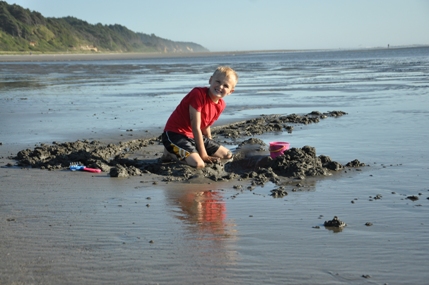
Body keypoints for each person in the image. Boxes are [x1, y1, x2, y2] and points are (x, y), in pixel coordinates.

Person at [161, 66, 238, 169]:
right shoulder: (198, 94)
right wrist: (204, 155)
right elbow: (195, 126)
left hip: (193, 137)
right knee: (199, 164)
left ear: (230, 91)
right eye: (218, 81)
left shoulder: (221, 105)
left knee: (228, 155)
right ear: (211, 80)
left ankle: (189, 151)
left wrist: (210, 142)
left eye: (225, 85)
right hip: (176, 134)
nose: (220, 87)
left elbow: (205, 126)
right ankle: (170, 152)